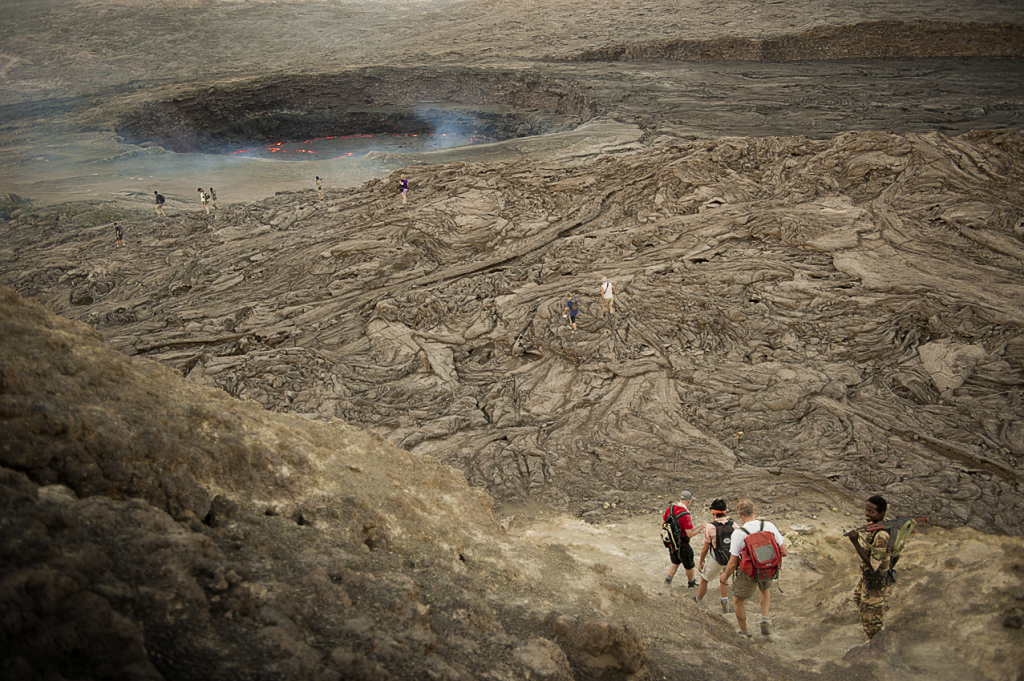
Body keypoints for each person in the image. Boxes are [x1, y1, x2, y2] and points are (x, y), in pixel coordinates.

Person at [719, 498, 787, 637]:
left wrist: (725, 577)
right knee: (764, 589)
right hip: (768, 569)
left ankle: (744, 631)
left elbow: (732, 563)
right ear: (755, 511)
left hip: (749, 572)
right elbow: (784, 551)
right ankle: (765, 619)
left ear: (739, 515)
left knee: (738, 600)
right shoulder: (769, 526)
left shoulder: (738, 533)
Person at [847, 495, 893, 640]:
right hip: (868, 579)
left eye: (871, 512)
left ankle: (877, 643)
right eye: (866, 510)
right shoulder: (875, 529)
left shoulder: (881, 535)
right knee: (858, 599)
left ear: (881, 514)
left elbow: (873, 565)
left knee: (871, 616)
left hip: (875, 581)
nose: (867, 513)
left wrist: (855, 543)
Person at [695, 499, 736, 612]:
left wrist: (701, 562)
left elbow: (705, 548)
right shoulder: (734, 525)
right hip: (730, 558)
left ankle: (697, 602)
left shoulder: (710, 527)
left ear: (713, 513)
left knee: (704, 579)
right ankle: (725, 603)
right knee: (724, 578)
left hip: (716, 558)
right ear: (725, 512)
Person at [662, 491, 705, 588]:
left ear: (679, 499)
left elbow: (663, 524)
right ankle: (691, 583)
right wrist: (701, 527)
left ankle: (667, 582)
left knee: (674, 562)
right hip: (683, 544)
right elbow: (689, 534)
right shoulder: (686, 515)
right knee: (689, 565)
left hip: (672, 543)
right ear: (689, 501)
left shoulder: (670, 508)